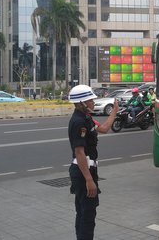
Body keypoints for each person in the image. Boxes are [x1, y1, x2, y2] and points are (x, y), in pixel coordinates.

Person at [67, 84, 119, 240]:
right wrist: (89, 180)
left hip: (85, 170)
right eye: (90, 100)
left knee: (83, 212)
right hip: (83, 172)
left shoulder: (86, 118)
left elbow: (103, 129)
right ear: (82, 102)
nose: (93, 102)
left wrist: (114, 112)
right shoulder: (78, 122)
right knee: (88, 215)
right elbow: (79, 152)